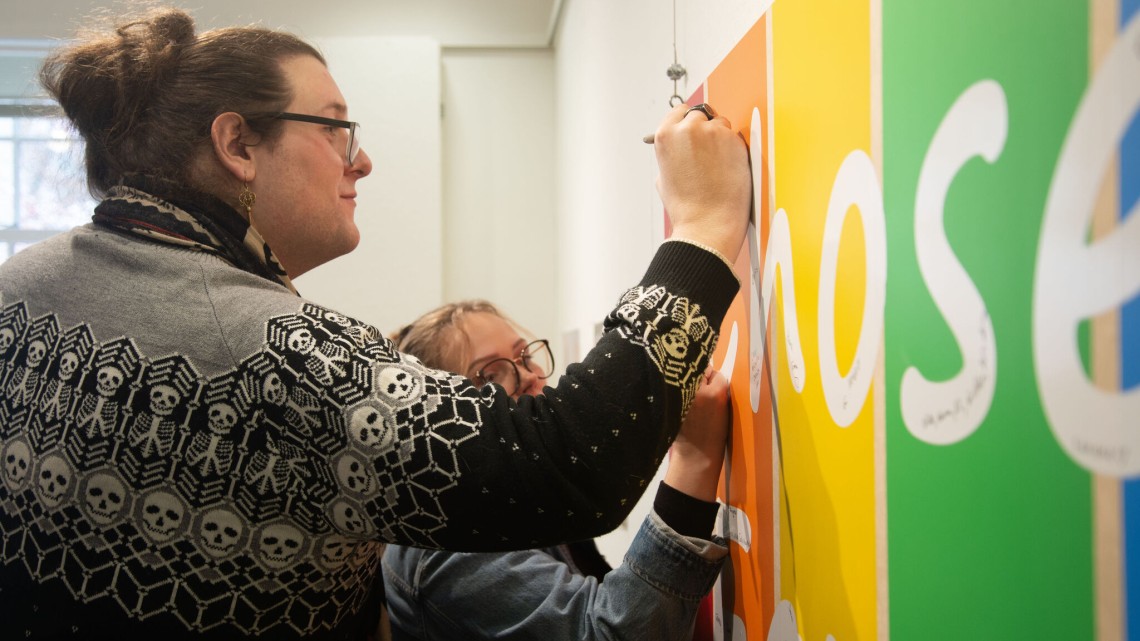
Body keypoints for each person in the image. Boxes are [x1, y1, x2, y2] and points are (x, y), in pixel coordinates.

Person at [0, 5, 751, 640]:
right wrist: (703, 228)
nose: (362, 163)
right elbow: (564, 462)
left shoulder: (17, 287)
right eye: (335, 129)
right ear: (236, 145)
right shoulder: (276, 351)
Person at [382, 300, 730, 641]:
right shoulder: (445, 544)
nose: (531, 377)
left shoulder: (523, 493)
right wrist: (694, 458)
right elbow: (609, 631)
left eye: (524, 356)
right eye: (490, 375)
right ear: (443, 421)